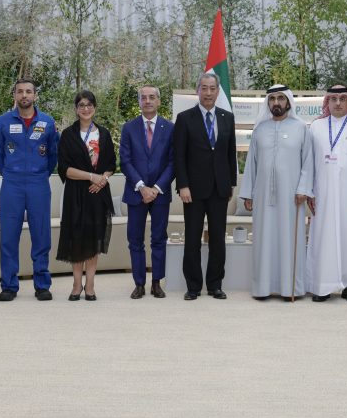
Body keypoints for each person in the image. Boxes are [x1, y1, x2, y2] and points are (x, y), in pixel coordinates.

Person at [240, 85, 314, 300]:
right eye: (272, 99)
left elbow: (308, 162)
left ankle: (290, 288)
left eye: (281, 98)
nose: (276, 103)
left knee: (289, 240)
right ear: (268, 103)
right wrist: (248, 194)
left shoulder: (301, 128)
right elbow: (251, 165)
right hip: (263, 196)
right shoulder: (260, 130)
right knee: (264, 240)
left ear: (288, 102)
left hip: (292, 197)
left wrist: (303, 189)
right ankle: (263, 288)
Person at [0, 78, 59, 302]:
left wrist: (40, 174)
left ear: (35, 96)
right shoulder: (2, 122)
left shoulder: (47, 123)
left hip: (39, 183)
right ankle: (9, 285)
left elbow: (53, 156)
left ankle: (42, 284)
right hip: (12, 183)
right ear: (14, 95)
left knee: (41, 235)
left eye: (28, 92)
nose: (24, 96)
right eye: (20, 92)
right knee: (9, 236)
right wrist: (11, 173)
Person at [306, 85, 347, 303]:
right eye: (333, 98)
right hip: (322, 192)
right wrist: (309, 191)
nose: (337, 103)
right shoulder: (316, 127)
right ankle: (322, 285)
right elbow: (308, 163)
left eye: (342, 98)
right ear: (327, 101)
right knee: (322, 237)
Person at [174, 72, 237, 301]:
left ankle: (215, 285)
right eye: (204, 88)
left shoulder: (227, 117)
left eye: (212, 88)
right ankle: (193, 286)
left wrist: (231, 183)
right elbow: (179, 156)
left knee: (218, 239)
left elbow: (230, 154)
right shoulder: (184, 118)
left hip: (220, 189)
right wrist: (182, 185)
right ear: (197, 90)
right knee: (192, 239)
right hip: (193, 190)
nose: (208, 92)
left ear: (217, 91)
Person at [56, 90, 116, 301]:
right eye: (81, 105)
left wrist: (102, 180)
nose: (86, 108)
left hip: (97, 193)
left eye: (89, 105)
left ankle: (89, 285)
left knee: (93, 240)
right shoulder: (67, 135)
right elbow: (65, 169)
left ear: (95, 108)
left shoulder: (104, 134)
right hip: (75, 193)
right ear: (76, 109)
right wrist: (92, 176)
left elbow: (111, 165)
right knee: (75, 239)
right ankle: (76, 284)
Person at [120, 85, 174, 299]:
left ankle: (157, 282)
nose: (148, 101)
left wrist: (157, 188)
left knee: (159, 239)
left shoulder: (170, 128)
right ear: (139, 102)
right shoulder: (129, 128)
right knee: (135, 239)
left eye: (152, 97)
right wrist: (142, 187)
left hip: (160, 193)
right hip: (136, 192)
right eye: (144, 98)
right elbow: (124, 161)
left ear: (159, 101)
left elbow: (173, 162)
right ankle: (139, 283)